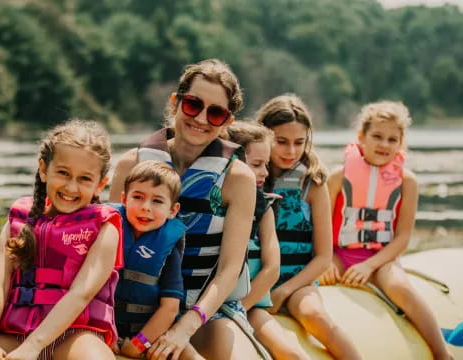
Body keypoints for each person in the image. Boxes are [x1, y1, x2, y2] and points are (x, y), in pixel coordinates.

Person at [109, 59, 260, 360]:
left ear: (227, 121)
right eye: (193, 105)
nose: (201, 119)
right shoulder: (131, 164)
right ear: (176, 102)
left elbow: (230, 269)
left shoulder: (239, 179)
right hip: (134, 306)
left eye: (215, 112)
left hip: (206, 309)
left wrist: (184, 327)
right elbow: (107, 251)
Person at [318, 101, 452, 360]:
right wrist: (324, 262)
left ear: (401, 143)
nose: (384, 144)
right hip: (337, 253)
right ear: (361, 137)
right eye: (377, 136)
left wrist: (369, 266)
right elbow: (320, 227)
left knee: (400, 288)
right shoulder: (337, 177)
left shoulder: (407, 182)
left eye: (392, 139)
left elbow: (402, 238)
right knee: (318, 280)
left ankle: (442, 353)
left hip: (382, 259)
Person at [0, 119, 122, 360]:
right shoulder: (19, 219)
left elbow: (81, 294)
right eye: (63, 173)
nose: (71, 187)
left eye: (84, 179)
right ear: (43, 170)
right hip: (14, 332)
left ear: (100, 185)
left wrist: (33, 347)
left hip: (74, 336)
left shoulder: (106, 227)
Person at [256, 94, 362, 360]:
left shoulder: (312, 184)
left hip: (299, 281)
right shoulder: (248, 178)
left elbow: (324, 257)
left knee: (314, 315)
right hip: (256, 283)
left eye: (299, 143)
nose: (291, 151)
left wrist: (284, 290)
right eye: (281, 142)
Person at [223, 121, 308, 360]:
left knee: (291, 354)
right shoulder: (210, 210)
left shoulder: (265, 208)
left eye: (266, 165)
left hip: (251, 306)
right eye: (257, 165)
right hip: (216, 310)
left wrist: (242, 309)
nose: (265, 173)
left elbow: (272, 269)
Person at [110, 160, 186, 359]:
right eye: (138, 197)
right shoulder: (108, 232)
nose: (145, 207)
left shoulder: (169, 249)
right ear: (124, 200)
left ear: (173, 210)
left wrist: (138, 344)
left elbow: (170, 308)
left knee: (188, 355)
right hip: (105, 329)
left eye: (157, 201)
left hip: (149, 334)